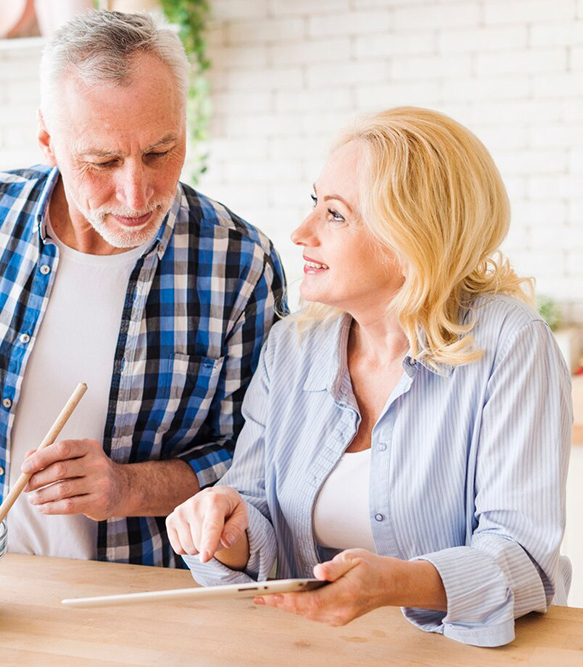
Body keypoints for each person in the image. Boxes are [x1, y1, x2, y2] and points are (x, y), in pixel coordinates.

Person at [0, 11, 286, 567]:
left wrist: (127, 488)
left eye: (160, 152)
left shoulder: (239, 263)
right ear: (48, 139)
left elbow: (260, 461)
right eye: (102, 161)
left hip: (135, 594)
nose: (136, 194)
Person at [165, 107, 572, 645]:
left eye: (334, 215)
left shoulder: (509, 342)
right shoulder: (292, 347)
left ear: (410, 239)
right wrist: (223, 525)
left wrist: (398, 584)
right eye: (316, 203)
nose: (301, 231)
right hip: (313, 650)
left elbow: (523, 556)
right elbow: (258, 511)